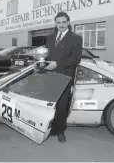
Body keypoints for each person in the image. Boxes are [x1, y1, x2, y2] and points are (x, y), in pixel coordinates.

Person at [44, 12, 83, 143]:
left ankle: (60, 131)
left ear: (68, 23)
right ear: (55, 23)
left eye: (63, 22)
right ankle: (50, 128)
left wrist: (57, 64)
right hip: (49, 75)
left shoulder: (75, 38)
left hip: (64, 77)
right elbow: (47, 56)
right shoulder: (50, 37)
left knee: (61, 105)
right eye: (58, 22)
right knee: (50, 104)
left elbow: (76, 59)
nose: (61, 25)